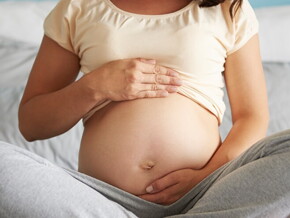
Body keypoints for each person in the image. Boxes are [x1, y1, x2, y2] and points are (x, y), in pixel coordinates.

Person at [3, 0, 286, 217]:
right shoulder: (79, 6)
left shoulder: (229, 8)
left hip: (206, 196)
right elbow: (31, 123)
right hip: (98, 201)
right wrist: (95, 86)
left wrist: (206, 176)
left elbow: (252, 117)